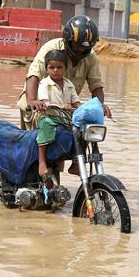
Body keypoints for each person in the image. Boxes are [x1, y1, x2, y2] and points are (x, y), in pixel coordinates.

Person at [18, 15, 112, 134]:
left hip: (66, 110)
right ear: (68, 40)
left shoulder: (91, 56)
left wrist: (99, 106)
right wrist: (32, 101)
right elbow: (34, 75)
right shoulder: (51, 48)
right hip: (39, 107)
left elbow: (96, 85)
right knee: (37, 142)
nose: (81, 50)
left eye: (85, 47)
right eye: (78, 45)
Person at [35, 50, 81, 180]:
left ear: (65, 69)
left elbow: (77, 103)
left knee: (83, 131)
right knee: (46, 125)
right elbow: (44, 101)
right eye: (52, 67)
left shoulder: (69, 84)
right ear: (46, 69)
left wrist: (89, 108)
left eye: (59, 67)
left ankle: (75, 163)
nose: (56, 70)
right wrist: (62, 106)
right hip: (49, 116)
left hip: (66, 120)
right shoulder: (44, 84)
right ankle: (42, 161)